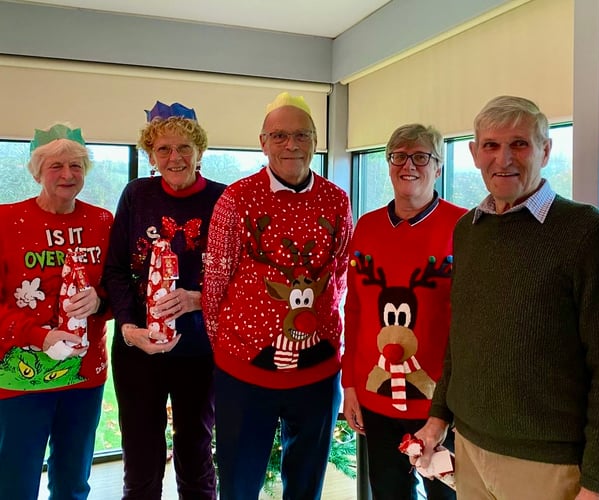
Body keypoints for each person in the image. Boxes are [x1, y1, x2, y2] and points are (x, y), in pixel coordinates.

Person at [413, 95, 599, 499]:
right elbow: (460, 339)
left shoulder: (585, 231)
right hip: (469, 449)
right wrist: (437, 418)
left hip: (550, 465)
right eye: (491, 146)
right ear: (474, 153)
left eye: (520, 144)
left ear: (546, 150)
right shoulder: (468, 231)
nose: (504, 159)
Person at [202, 91, 353, 500]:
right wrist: (231, 351)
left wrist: (329, 338)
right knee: (239, 481)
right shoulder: (235, 199)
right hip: (245, 373)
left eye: (301, 135)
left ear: (315, 141)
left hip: (318, 374)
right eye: (280, 135)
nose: (291, 144)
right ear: (263, 141)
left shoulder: (337, 200)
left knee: (306, 484)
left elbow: (339, 275)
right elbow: (214, 284)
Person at [103, 101, 225, 499]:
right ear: (151, 155)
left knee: (195, 456)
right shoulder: (137, 194)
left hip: (199, 350)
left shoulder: (223, 201)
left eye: (184, 148)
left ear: (200, 151)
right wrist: (127, 327)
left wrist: (198, 299)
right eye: (163, 149)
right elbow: (117, 270)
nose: (175, 158)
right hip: (139, 350)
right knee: (140, 460)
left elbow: (239, 281)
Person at [342, 124, 465, 499]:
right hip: (377, 396)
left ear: (439, 167)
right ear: (388, 163)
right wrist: (349, 384)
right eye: (398, 156)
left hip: (444, 403)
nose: (408, 165)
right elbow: (355, 309)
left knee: (448, 494)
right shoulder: (367, 227)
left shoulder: (465, 226)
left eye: (421, 157)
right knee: (388, 492)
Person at [0, 123, 112, 499]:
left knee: (73, 478)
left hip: (84, 373)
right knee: (16, 478)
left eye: (77, 166)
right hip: (21, 375)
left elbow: (121, 289)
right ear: (37, 171)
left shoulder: (102, 222)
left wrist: (100, 300)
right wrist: (38, 335)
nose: (68, 174)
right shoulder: (5, 221)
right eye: (56, 166)